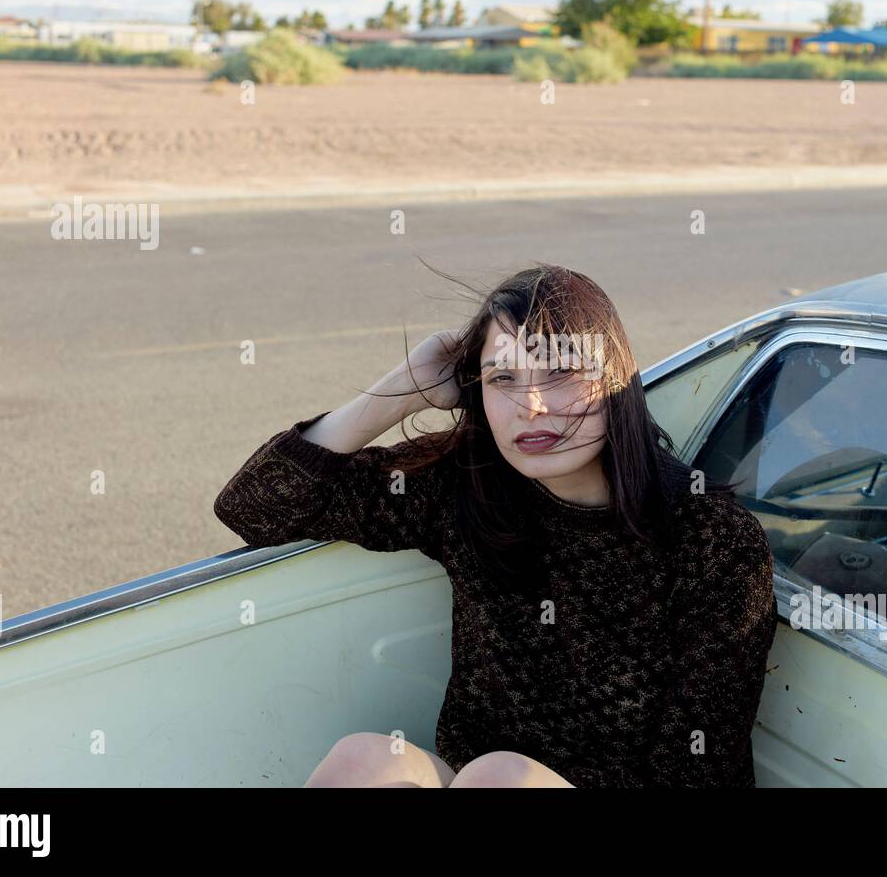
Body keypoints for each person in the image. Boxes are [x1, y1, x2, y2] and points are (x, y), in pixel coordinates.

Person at [213, 263, 777, 787]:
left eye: (560, 372)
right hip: (479, 778)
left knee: (500, 777)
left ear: (615, 381)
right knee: (368, 760)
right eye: (501, 378)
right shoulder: (470, 485)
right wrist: (400, 392)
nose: (531, 405)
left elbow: (700, 768)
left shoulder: (710, 538)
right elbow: (256, 505)